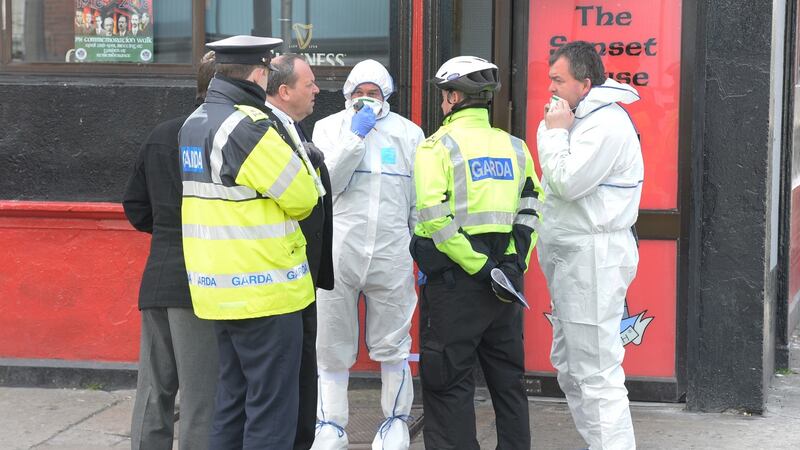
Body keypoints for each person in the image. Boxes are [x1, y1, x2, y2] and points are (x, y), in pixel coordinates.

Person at [179, 35, 319, 449]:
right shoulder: (248, 127)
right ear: (259, 73)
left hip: (219, 290)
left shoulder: (195, 122)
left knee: (232, 405)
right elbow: (303, 198)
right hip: (266, 292)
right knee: (270, 415)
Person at [411, 55, 543, 450]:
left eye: (443, 94)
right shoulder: (516, 148)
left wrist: (482, 267)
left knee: (448, 385)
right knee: (509, 385)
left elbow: (435, 219)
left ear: (453, 97)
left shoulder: (434, 148)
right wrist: (513, 263)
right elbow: (532, 207)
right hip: (505, 288)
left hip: (457, 285)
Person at [311, 59, 424, 450]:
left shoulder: (409, 134)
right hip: (340, 251)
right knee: (332, 341)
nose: (365, 100)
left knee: (394, 341)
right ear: (346, 95)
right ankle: (331, 426)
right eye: (358, 93)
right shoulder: (328, 129)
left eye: (373, 94)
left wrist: (419, 247)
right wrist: (354, 139)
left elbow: (416, 201)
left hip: (391, 252)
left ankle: (395, 421)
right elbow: (329, 186)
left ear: (386, 96)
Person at [536, 40, 642, 450]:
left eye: (558, 80)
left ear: (584, 82)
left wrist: (552, 132)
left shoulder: (604, 124)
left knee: (596, 371)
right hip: (576, 257)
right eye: (550, 79)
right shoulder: (584, 118)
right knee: (571, 367)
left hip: (593, 258)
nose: (551, 89)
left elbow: (566, 182)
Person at [123, 50, 218, 450]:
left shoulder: (163, 133)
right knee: (202, 399)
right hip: (200, 284)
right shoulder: (225, 135)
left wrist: (164, 231)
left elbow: (135, 207)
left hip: (158, 277)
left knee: (153, 392)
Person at [264, 53, 334, 450]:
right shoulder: (268, 132)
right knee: (285, 392)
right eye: (310, 84)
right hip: (282, 282)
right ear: (285, 90)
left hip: (300, 281)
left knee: (301, 384)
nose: (317, 90)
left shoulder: (291, 129)